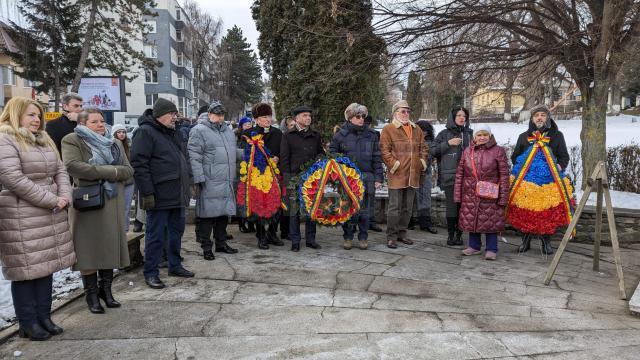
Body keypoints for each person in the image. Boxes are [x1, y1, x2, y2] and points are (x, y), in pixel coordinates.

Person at [0, 97, 76, 340]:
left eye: (39, 115)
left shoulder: (44, 140)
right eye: (31, 115)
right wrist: (51, 199)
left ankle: (44, 316)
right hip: (21, 216)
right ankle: (28, 322)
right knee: (25, 270)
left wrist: (64, 196)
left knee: (45, 267)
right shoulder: (6, 139)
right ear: (16, 115)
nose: (37, 120)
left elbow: (60, 170)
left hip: (49, 213)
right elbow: (13, 179)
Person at [62, 108, 133, 313]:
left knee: (109, 247)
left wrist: (105, 172)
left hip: (111, 203)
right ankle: (91, 296)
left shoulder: (115, 143)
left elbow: (128, 171)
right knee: (88, 251)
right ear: (83, 124)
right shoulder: (72, 140)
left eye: (102, 121)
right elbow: (74, 166)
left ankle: (106, 291)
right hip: (88, 203)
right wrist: (112, 172)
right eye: (95, 122)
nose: (101, 125)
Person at [131, 98, 194, 289]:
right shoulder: (145, 132)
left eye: (176, 114)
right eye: (172, 114)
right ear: (160, 115)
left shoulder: (172, 132)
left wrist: (188, 184)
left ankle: (174, 265)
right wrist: (147, 193)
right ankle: (151, 272)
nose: (175, 117)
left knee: (176, 231)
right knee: (155, 235)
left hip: (176, 193)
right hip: (158, 194)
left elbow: (182, 159)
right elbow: (139, 165)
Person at [508, 105, 571, 255]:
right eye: (537, 115)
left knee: (547, 213)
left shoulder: (557, 136)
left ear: (547, 117)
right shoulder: (524, 137)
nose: (540, 118)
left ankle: (546, 243)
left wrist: (558, 166)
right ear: (532, 118)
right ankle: (526, 241)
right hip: (527, 184)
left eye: (543, 115)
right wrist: (527, 163)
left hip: (549, 183)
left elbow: (564, 157)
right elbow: (515, 157)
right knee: (525, 212)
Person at [188, 100, 239, 260]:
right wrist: (199, 178)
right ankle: (206, 247)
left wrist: (250, 153)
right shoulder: (199, 130)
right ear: (209, 114)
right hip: (209, 179)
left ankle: (221, 243)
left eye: (222, 115)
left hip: (226, 179)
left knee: (223, 214)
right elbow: (194, 156)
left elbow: (231, 151)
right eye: (217, 115)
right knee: (207, 216)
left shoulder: (228, 131)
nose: (220, 118)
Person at [329, 103, 383, 250]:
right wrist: (341, 169)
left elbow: (377, 157)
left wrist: (378, 178)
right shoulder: (340, 135)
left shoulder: (372, 135)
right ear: (350, 118)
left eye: (363, 116)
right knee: (347, 209)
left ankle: (363, 237)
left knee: (366, 210)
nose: (361, 119)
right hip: (348, 179)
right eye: (357, 116)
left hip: (367, 177)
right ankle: (347, 237)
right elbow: (332, 155)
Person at [454, 125, 510, 260]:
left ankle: (491, 248)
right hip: (470, 193)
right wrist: (457, 194)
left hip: (490, 194)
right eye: (479, 135)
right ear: (475, 137)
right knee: (472, 220)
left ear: (490, 136)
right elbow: (460, 174)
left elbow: (504, 175)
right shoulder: (468, 151)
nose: (482, 137)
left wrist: (503, 197)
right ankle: (474, 246)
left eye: (485, 134)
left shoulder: (498, 151)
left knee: (491, 221)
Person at [379, 100, 429, 249]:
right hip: (397, 174)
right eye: (403, 111)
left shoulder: (417, 129)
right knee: (395, 207)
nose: (406, 114)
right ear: (395, 113)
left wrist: (422, 162)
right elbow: (384, 150)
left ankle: (402, 233)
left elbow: (424, 148)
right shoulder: (388, 129)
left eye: (408, 111)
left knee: (408, 207)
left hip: (413, 174)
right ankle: (391, 236)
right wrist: (395, 165)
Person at [240, 103, 285, 249]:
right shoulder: (249, 134)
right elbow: (246, 155)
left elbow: (282, 152)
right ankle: (261, 236)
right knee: (259, 206)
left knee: (276, 205)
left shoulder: (278, 133)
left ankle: (272, 234)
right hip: (257, 175)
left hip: (274, 174)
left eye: (269, 116)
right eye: (264, 117)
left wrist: (278, 157)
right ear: (256, 119)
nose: (268, 120)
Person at [280, 105, 325, 252]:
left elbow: (321, 153)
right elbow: (284, 159)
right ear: (297, 118)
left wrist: (319, 159)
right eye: (305, 115)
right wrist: (287, 180)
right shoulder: (288, 135)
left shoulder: (315, 135)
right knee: (294, 212)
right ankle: (295, 240)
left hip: (312, 178)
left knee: (311, 209)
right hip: (294, 178)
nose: (308, 118)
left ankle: (311, 240)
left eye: (309, 116)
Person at [432, 106, 473, 246]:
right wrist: (448, 143)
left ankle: (459, 234)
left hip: (468, 177)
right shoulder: (444, 134)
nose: (462, 118)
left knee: (463, 207)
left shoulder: (470, 134)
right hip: (450, 176)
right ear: (453, 117)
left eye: (464, 116)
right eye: (459, 115)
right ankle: (450, 235)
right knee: (452, 206)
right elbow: (433, 151)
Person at [415, 120, 438, 234]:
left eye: (425, 131)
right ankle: (410, 220)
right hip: (413, 173)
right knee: (413, 198)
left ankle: (425, 222)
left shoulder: (431, 142)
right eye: (421, 130)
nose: (423, 133)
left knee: (426, 198)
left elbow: (431, 155)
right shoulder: (411, 141)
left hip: (426, 173)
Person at [112, 124, 135, 233]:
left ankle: (125, 230)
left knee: (126, 207)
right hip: (117, 180)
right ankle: (117, 230)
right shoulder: (111, 145)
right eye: (119, 132)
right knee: (116, 207)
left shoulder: (130, 146)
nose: (121, 134)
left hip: (129, 181)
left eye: (123, 132)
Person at [235, 116, 256, 234]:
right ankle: (241, 222)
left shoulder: (253, 137)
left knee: (252, 198)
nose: (248, 126)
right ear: (241, 127)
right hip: (240, 171)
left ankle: (251, 222)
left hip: (252, 171)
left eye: (249, 124)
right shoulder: (238, 138)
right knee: (242, 198)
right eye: (245, 124)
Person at [364, 114, 384, 233]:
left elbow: (377, 153)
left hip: (370, 170)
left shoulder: (374, 134)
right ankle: (362, 222)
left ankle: (370, 222)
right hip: (359, 171)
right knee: (367, 199)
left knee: (370, 198)